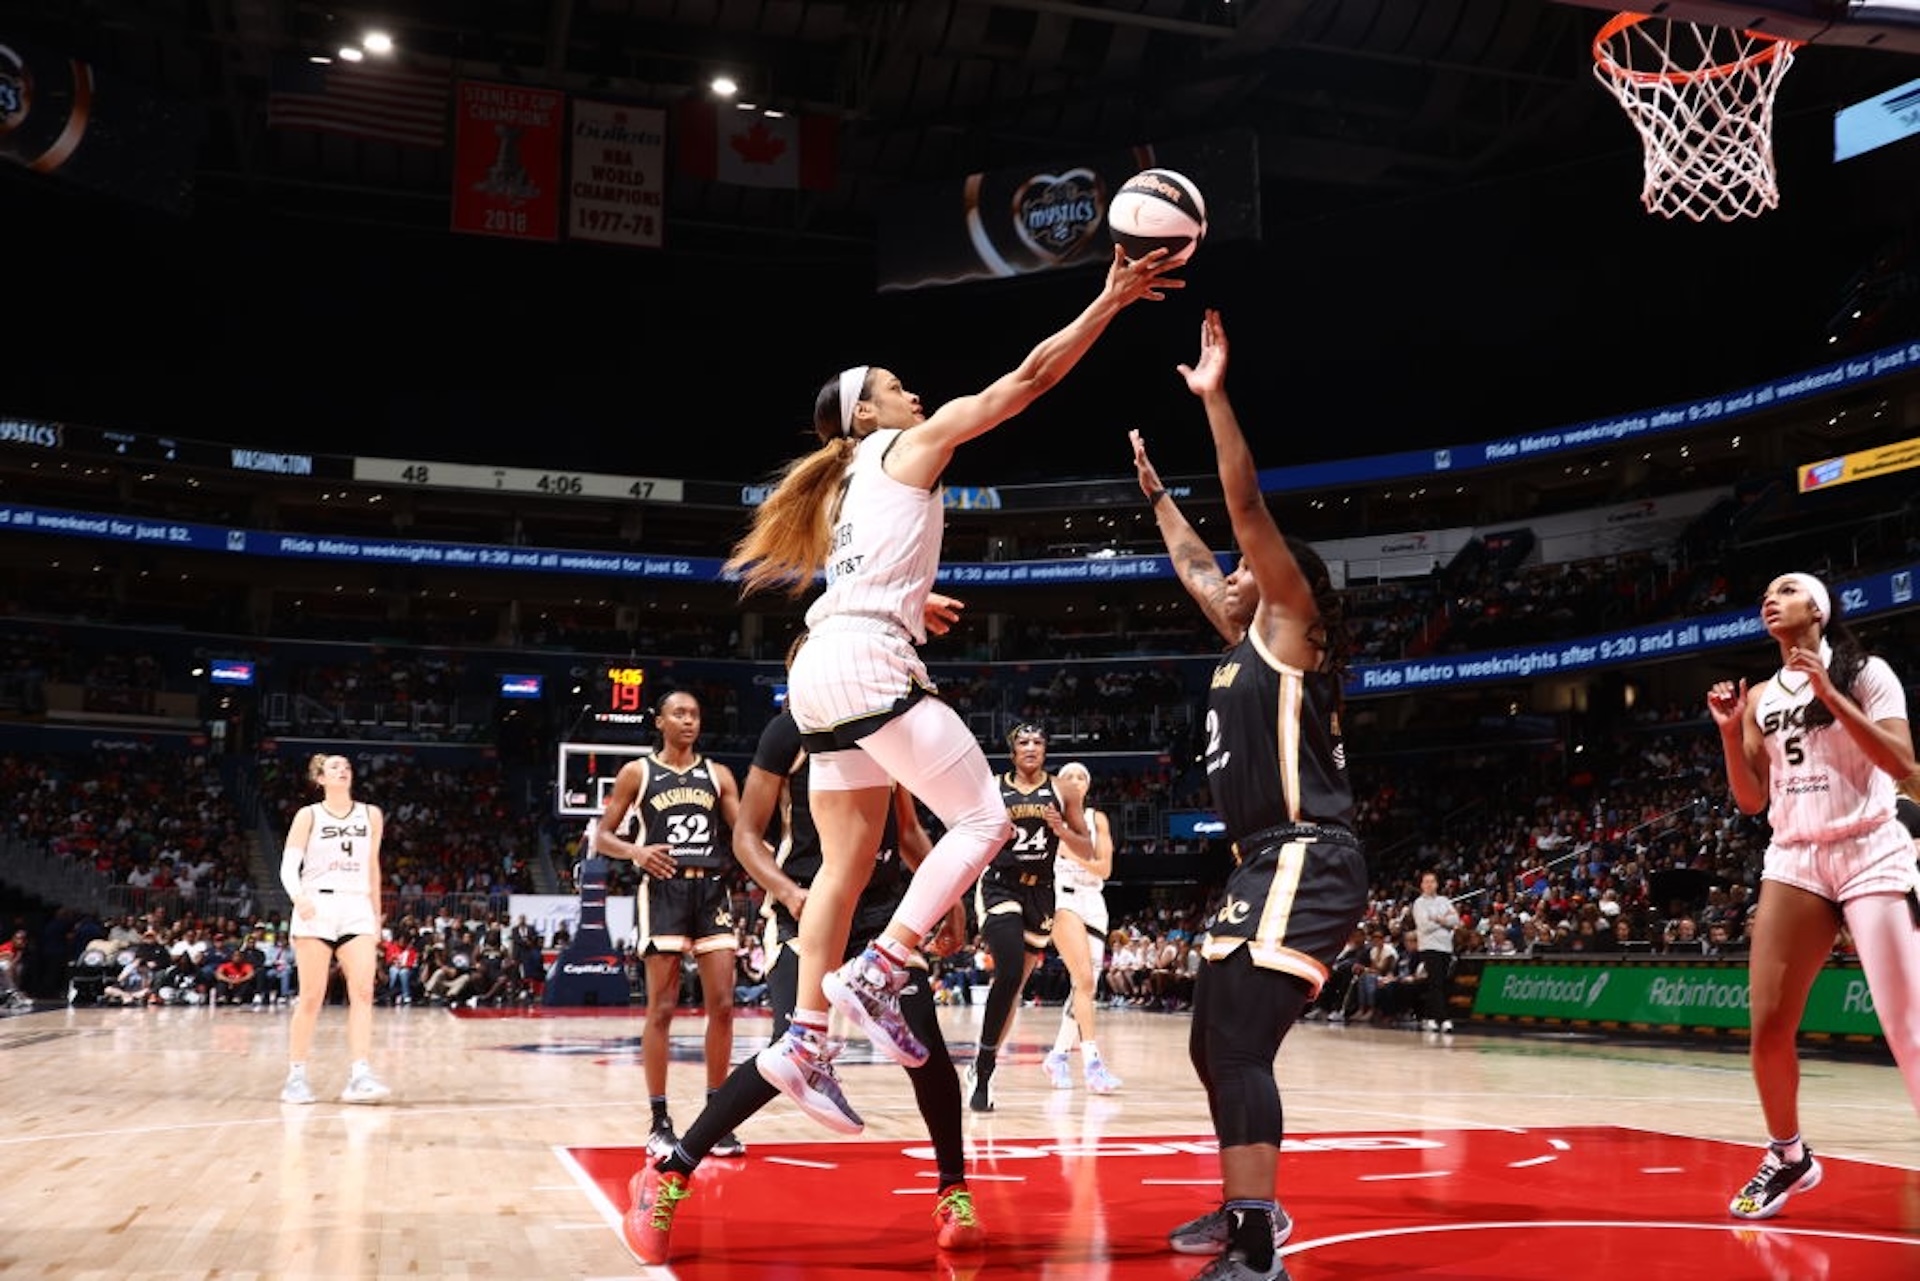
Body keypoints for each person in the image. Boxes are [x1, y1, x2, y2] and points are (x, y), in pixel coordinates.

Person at [723, 245, 1182, 1133]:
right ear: (866, 411)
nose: (913, 394)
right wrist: (1110, 299)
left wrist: (908, 596)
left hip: (817, 665)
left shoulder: (841, 482)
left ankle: (805, 1040)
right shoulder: (904, 446)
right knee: (986, 819)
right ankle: (882, 966)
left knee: (847, 867)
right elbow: (1031, 377)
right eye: (895, 386)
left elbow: (857, 573)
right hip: (862, 663)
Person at [1134, 309, 1366, 1281]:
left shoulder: (1291, 628)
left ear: (1281, 586)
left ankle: (1257, 1235)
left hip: (1307, 850)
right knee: (1211, 1032)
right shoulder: (1242, 643)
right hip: (1266, 861)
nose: (1227, 575)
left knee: (1234, 1033)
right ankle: (1242, 1205)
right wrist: (1153, 494)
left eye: (1247, 572)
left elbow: (1246, 518)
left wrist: (1215, 399)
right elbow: (1198, 558)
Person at [622, 703, 979, 1267]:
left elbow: (907, 827)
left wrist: (949, 894)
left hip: (882, 912)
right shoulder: (791, 730)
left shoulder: (889, 722)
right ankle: (667, 1174)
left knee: (925, 1047)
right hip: (808, 906)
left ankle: (953, 1191)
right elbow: (745, 838)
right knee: (791, 1050)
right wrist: (789, 894)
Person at [1705, 571, 1920, 1221]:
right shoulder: (1764, 693)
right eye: (1765, 591)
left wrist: (1831, 692)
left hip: (1871, 849)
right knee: (1768, 1026)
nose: (1771, 597)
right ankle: (1789, 1156)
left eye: (1788, 589)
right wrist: (1727, 729)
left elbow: (1903, 764)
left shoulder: (1867, 672)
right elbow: (1751, 799)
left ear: (1819, 610)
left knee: (1908, 1026)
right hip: (1796, 856)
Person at [593, 688, 746, 1161]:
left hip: (712, 891)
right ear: (659, 721)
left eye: (695, 714)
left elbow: (743, 837)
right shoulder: (637, 773)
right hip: (663, 892)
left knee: (722, 1004)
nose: (688, 721)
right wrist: (636, 851)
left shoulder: (718, 775)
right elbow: (601, 836)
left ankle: (716, 1117)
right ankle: (659, 1120)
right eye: (679, 713)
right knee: (662, 1007)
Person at [966, 722, 1090, 1111]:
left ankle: (980, 1062)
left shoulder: (1063, 790)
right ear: (1012, 750)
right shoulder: (992, 787)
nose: (1031, 747)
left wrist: (1062, 832)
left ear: (1046, 750)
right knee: (1005, 970)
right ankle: (985, 1070)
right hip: (1000, 885)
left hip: (1042, 890)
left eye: (1038, 741)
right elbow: (970, 830)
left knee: (1014, 986)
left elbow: (1086, 848)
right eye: (1023, 741)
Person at [279, 753, 391, 1104]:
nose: (342, 771)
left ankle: (360, 1074)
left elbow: (372, 867)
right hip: (317, 905)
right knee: (312, 996)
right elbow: (288, 865)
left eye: (346, 767)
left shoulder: (371, 814)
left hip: (356, 905)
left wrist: (376, 914)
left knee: (363, 992)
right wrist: (298, 897)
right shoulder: (308, 815)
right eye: (334, 767)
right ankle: (296, 1077)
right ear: (320, 778)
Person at [1042, 760, 1122, 1093]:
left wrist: (1070, 850)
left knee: (1086, 986)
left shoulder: (1096, 819)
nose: (1075, 780)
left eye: (1081, 777)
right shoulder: (1048, 818)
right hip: (1064, 898)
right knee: (1084, 979)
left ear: (1087, 786)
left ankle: (1058, 1056)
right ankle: (1091, 1062)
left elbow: (1104, 869)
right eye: (1068, 776)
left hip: (1094, 903)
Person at [1410, 871, 1460, 1033]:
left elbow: (1456, 920)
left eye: (1432, 881)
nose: (1429, 884)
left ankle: (1430, 1017)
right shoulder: (1419, 903)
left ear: (1437, 884)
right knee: (1436, 982)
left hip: (1446, 947)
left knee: (1440, 983)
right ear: (1422, 885)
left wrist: (1437, 919)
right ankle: (1443, 1019)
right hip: (1429, 947)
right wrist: (1444, 920)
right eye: (1426, 882)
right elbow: (1424, 926)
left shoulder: (1444, 900)